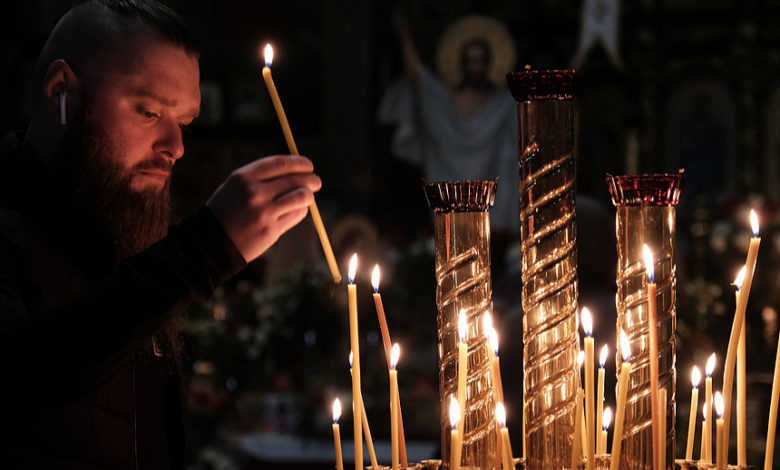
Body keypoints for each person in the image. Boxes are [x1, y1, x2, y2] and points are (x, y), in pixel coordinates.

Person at [0, 0, 321, 467]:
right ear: (60, 92)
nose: (176, 148)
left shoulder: (120, 232)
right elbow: (16, 374)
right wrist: (200, 251)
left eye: (185, 123)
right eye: (149, 112)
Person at [378, 13, 519, 233]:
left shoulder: (503, 104)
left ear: (489, 62)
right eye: (471, 61)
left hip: (495, 199)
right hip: (447, 181)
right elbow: (419, 79)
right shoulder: (445, 99)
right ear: (462, 63)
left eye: (481, 61)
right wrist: (405, 39)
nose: (476, 67)